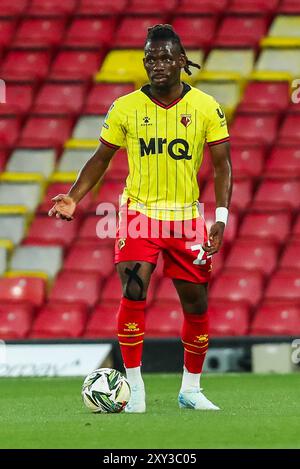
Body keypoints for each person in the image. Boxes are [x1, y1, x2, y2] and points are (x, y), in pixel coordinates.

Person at [49, 24, 232, 413]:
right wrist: (74, 198)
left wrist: (220, 218)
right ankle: (134, 390)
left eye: (166, 57)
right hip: (139, 214)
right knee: (133, 290)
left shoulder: (206, 107)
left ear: (182, 61)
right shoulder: (125, 106)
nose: (157, 64)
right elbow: (101, 158)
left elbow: (222, 166)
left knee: (196, 304)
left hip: (187, 218)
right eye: (150, 58)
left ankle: (191, 389)